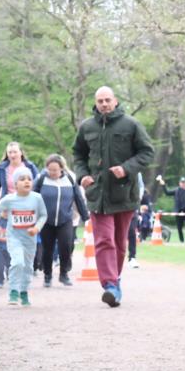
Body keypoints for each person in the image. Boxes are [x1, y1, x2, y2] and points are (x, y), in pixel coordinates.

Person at [72, 86, 155, 307]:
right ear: (96, 103)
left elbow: (147, 152)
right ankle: (109, 284)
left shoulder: (131, 124)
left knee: (119, 242)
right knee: (104, 239)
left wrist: (127, 168)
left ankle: (114, 283)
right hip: (97, 194)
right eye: (100, 101)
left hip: (124, 193)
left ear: (115, 101)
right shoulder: (87, 127)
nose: (104, 104)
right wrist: (82, 176)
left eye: (108, 100)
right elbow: (78, 155)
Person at [0, 170, 47, 306]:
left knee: (27, 267)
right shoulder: (9, 199)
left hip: (30, 239)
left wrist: (37, 227)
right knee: (17, 262)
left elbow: (43, 215)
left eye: (29, 179)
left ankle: (24, 292)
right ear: (15, 184)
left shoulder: (37, 198)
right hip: (14, 237)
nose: (26, 181)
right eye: (22, 179)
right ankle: (13, 291)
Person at [34, 154, 89, 287]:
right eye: (50, 170)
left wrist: (85, 216)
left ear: (61, 169)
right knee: (47, 249)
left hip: (65, 219)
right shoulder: (41, 179)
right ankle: (47, 275)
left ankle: (64, 274)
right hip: (46, 220)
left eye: (55, 170)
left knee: (66, 246)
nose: (53, 173)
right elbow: (33, 196)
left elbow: (78, 198)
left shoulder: (69, 179)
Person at [156, 174, 185, 243]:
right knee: (179, 228)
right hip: (178, 212)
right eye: (181, 182)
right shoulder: (176, 190)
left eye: (184, 182)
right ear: (179, 183)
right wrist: (163, 184)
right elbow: (167, 192)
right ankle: (181, 241)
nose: (183, 184)